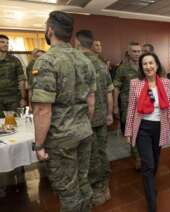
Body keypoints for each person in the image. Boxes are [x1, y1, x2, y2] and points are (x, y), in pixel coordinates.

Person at [31, 11, 96, 212]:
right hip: (84, 132)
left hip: (61, 139)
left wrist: (39, 145)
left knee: (68, 191)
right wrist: (83, 125)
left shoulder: (46, 61)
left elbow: (42, 109)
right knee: (82, 181)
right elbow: (91, 101)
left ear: (50, 30)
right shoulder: (86, 60)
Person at [125, 52, 170, 212]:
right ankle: (152, 204)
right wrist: (128, 131)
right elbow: (131, 109)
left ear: (156, 65)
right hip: (142, 128)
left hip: (160, 128)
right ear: (141, 67)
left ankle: (150, 185)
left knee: (154, 162)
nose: (148, 67)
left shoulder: (166, 83)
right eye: (145, 64)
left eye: (151, 63)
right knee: (147, 165)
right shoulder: (135, 83)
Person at [75, 30, 114, 206]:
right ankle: (103, 187)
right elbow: (109, 93)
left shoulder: (75, 63)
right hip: (99, 118)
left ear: (77, 42)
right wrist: (109, 114)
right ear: (91, 44)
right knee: (101, 152)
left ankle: (96, 189)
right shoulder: (100, 65)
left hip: (81, 120)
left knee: (88, 156)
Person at [113, 42, 142, 169]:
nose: (137, 54)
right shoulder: (122, 68)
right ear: (129, 52)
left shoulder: (145, 66)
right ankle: (138, 157)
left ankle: (138, 153)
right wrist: (114, 106)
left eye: (139, 51)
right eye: (134, 51)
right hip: (128, 105)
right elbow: (116, 88)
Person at [0, 34, 26, 117]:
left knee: (14, 123)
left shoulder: (15, 60)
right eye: (2, 42)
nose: (5, 44)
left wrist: (23, 98)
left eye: (7, 43)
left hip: (13, 99)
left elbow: (21, 80)